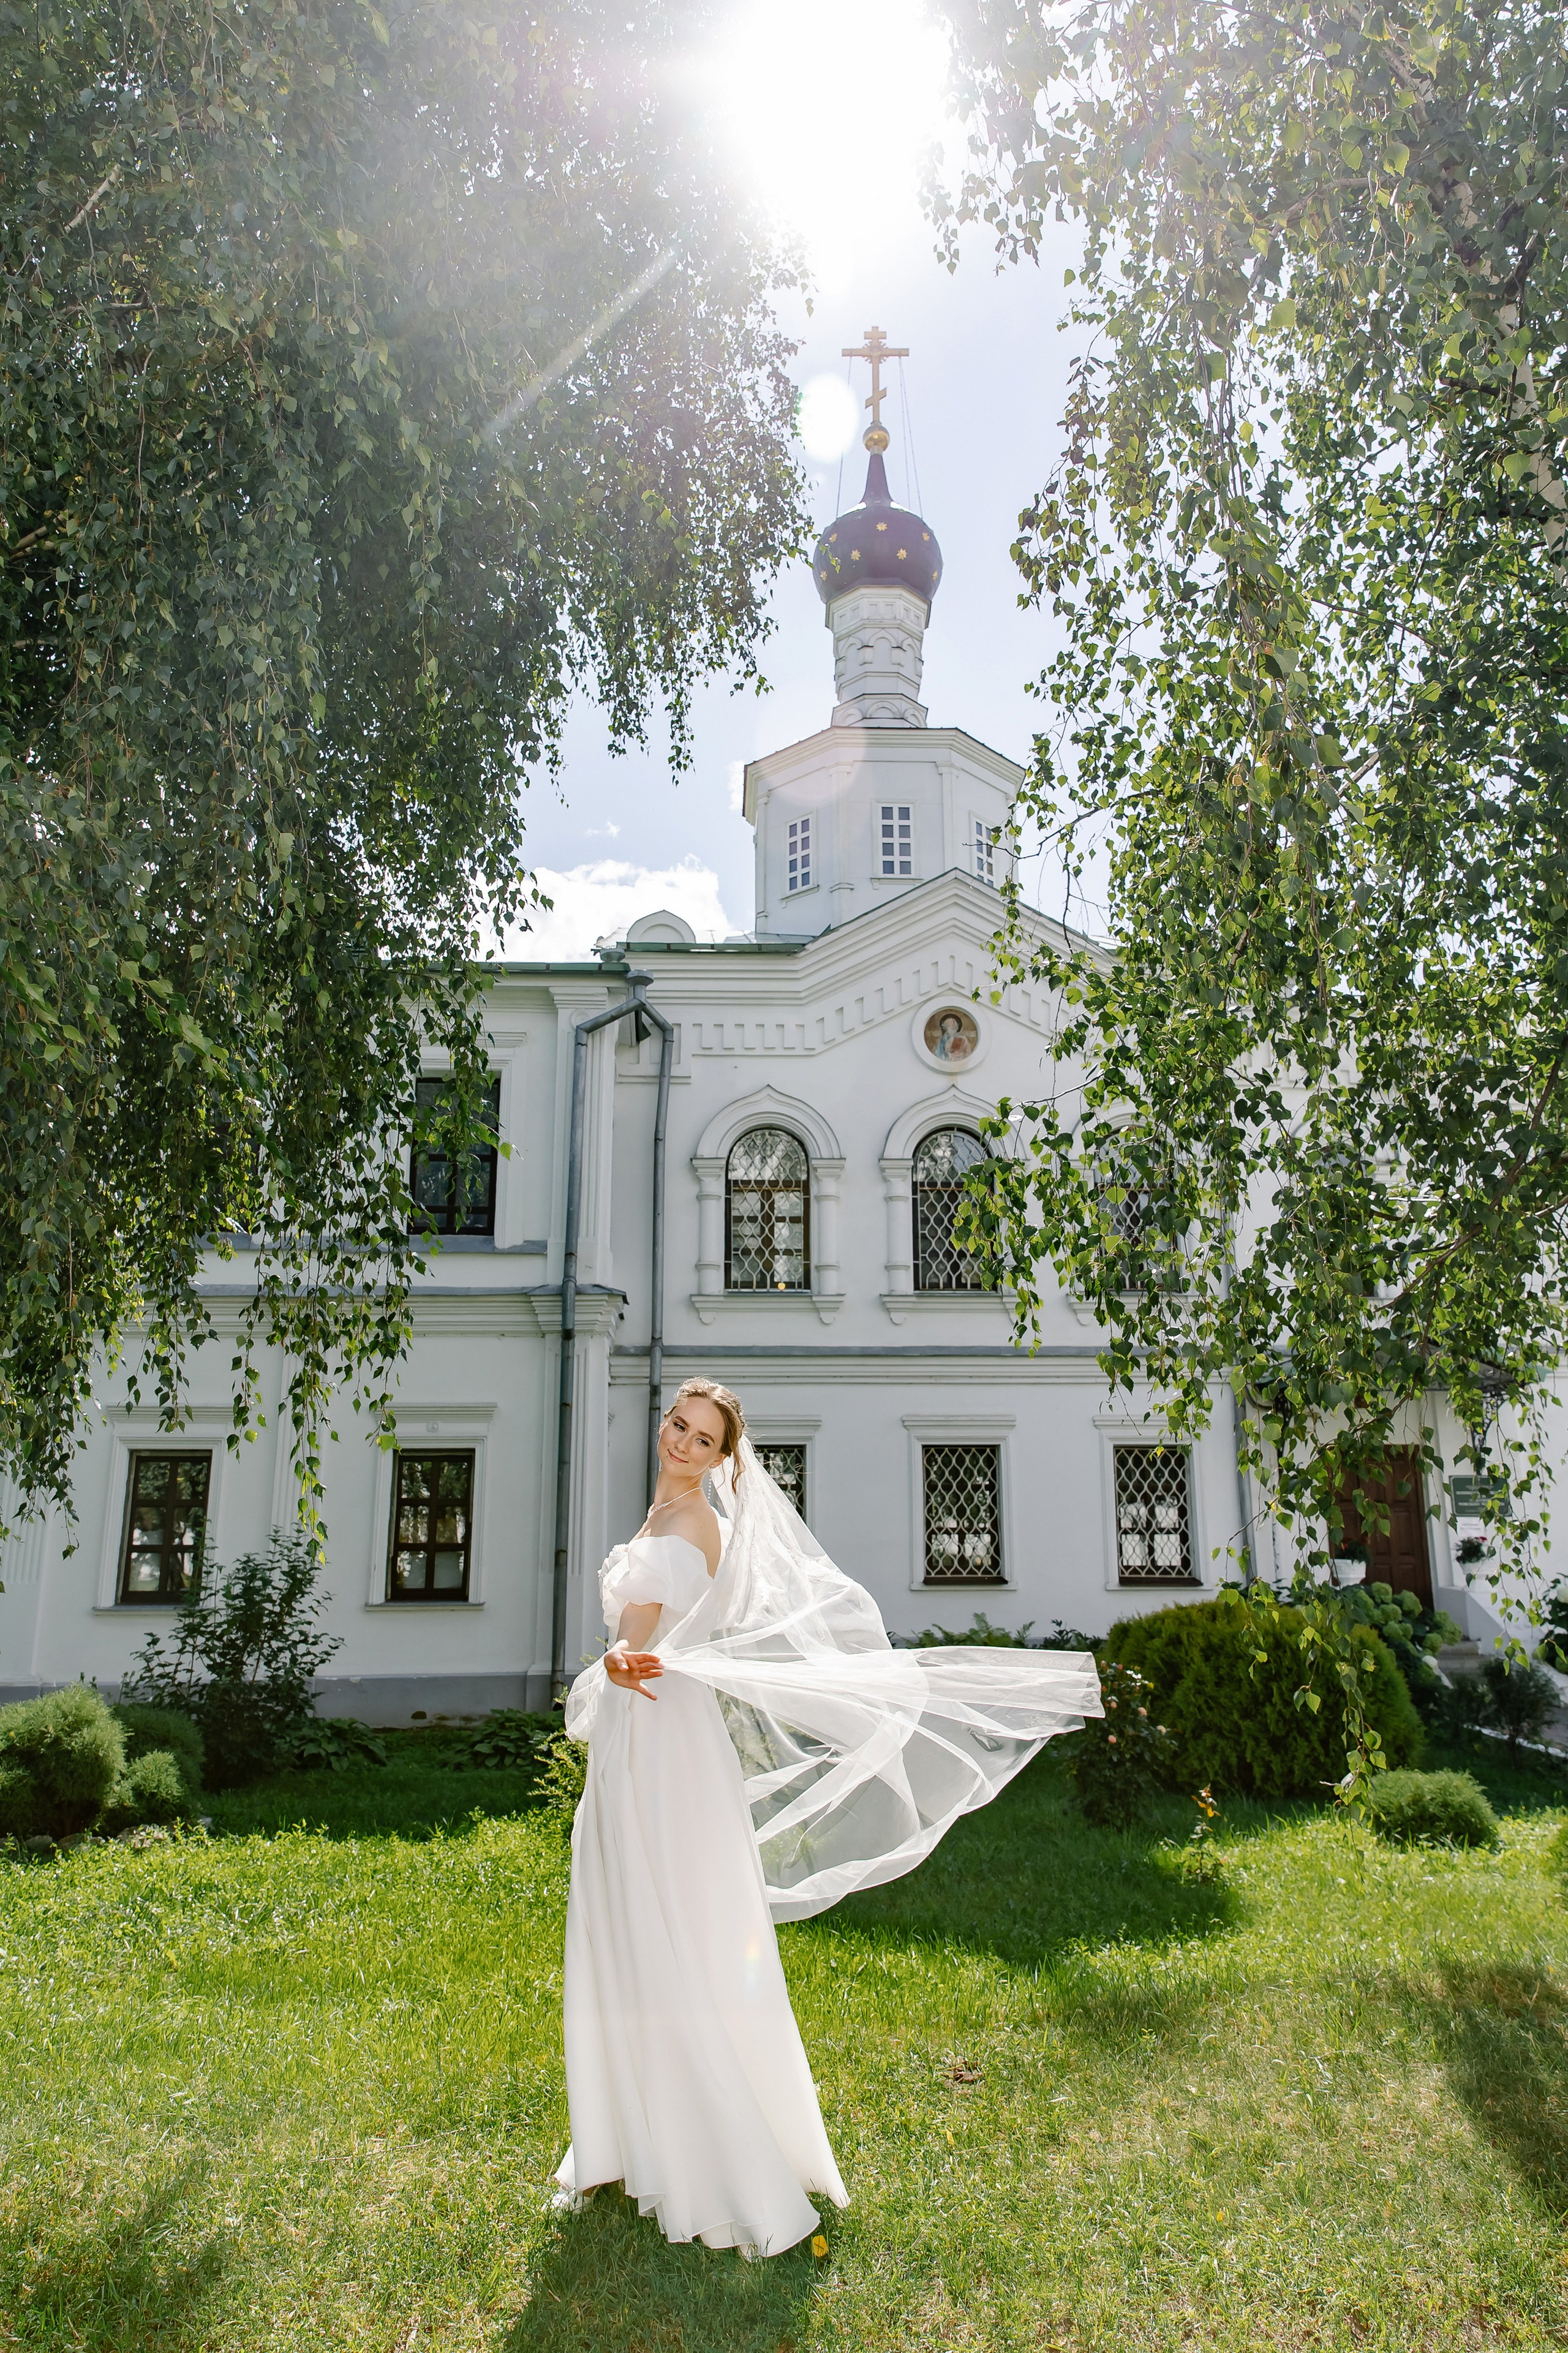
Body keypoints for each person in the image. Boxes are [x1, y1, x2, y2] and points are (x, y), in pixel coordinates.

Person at [554, 1377, 1099, 2258]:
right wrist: (625, 1663)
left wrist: (618, 1658)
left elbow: (643, 1637)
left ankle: (699, 2151)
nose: (681, 1443)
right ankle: (630, 2135)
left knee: (663, 1923)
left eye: (702, 1438)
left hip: (657, 1735)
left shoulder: (694, 1523)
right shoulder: (670, 1511)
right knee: (635, 1917)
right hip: (652, 1729)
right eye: (677, 1425)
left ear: (727, 1458)